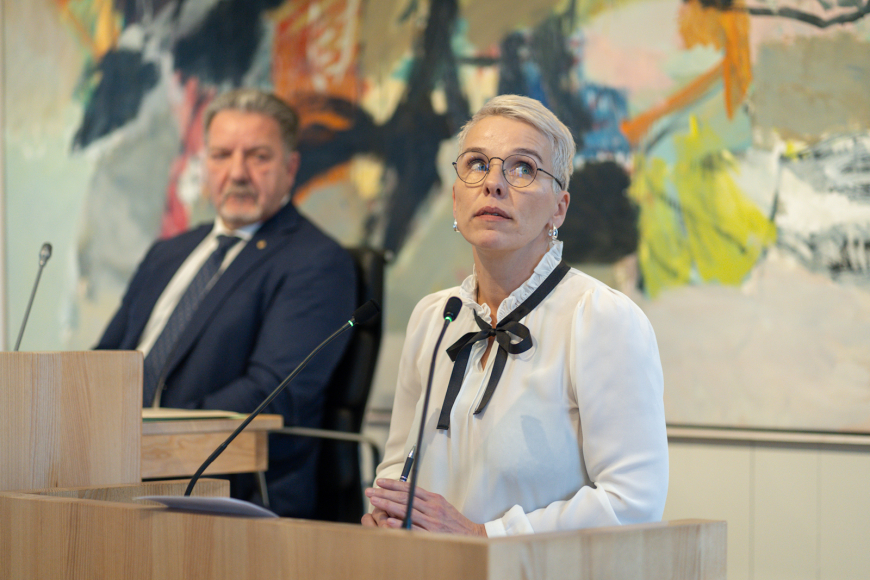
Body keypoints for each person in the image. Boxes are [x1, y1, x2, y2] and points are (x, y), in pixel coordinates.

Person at [363, 94, 667, 536]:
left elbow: (633, 503)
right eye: (476, 164)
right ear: (455, 198)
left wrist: (486, 537)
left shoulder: (601, 318)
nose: (493, 183)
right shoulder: (433, 317)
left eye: (523, 168)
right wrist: (387, 512)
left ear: (559, 207)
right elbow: (397, 466)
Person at [96, 88, 357, 518]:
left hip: (230, 495)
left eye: (258, 157)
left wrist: (145, 433)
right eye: (220, 155)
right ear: (204, 165)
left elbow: (270, 394)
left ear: (290, 167)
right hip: (117, 474)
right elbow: (103, 361)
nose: (237, 173)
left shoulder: (316, 261)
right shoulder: (168, 253)